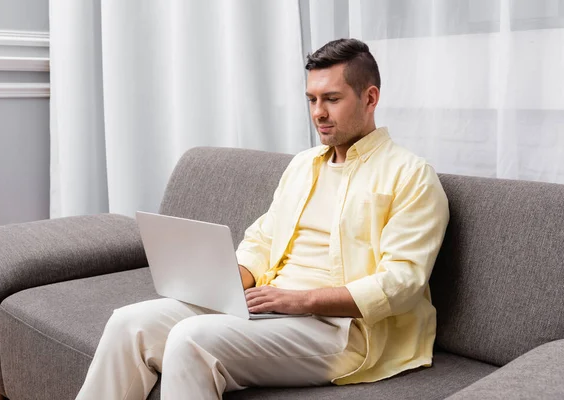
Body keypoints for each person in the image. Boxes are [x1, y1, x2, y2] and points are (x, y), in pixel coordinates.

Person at [76, 38, 449, 399]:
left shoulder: (411, 175)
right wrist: (230, 280)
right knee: (129, 324)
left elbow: (402, 282)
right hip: (268, 304)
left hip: (344, 332)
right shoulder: (304, 165)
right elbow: (264, 239)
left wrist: (300, 300)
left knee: (192, 340)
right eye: (312, 99)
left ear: (370, 98)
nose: (318, 112)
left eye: (332, 99)